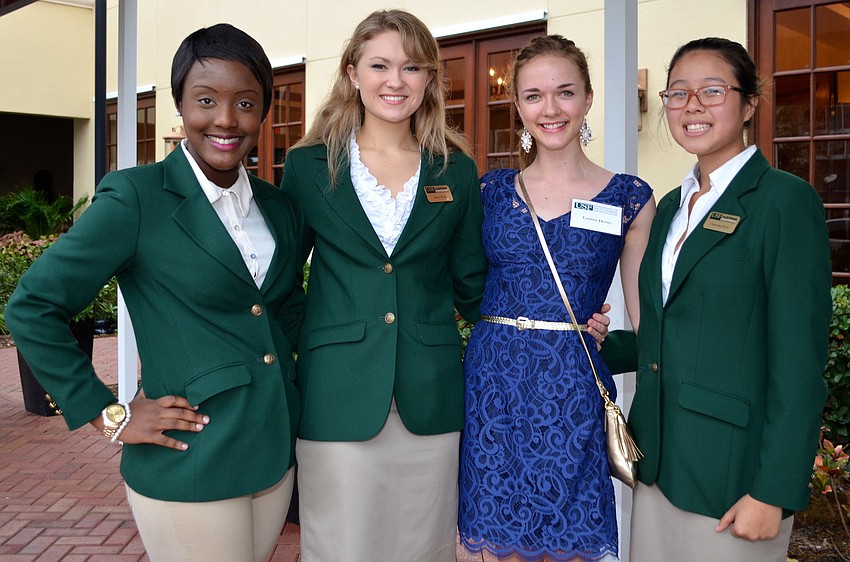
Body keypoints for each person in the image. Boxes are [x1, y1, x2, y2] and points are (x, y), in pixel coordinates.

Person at [6, 24, 304, 562]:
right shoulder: (137, 198)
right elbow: (32, 307)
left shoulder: (277, 207)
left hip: (271, 452)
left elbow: (283, 315)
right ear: (180, 104)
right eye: (206, 100)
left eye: (246, 103)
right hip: (188, 457)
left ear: (263, 112)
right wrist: (107, 412)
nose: (226, 120)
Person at [606, 37, 831, 561]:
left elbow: (799, 364)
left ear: (750, 103)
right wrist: (588, 341)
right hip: (657, 464)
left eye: (712, 90)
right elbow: (668, 331)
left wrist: (773, 490)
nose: (692, 106)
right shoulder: (668, 207)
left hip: (733, 478)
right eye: (678, 93)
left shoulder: (784, 203)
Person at [279, 9, 486, 562]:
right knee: (340, 545)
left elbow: (474, 286)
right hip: (337, 393)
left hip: (432, 394)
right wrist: (323, 337)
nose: (396, 81)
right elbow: (279, 284)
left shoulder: (455, 170)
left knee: (425, 546)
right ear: (353, 73)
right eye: (380, 65)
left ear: (429, 79)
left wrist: (555, 320)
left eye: (412, 67)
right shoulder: (307, 166)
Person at [458, 35, 655, 562]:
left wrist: (600, 336)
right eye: (533, 95)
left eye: (565, 93)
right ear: (518, 105)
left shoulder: (629, 197)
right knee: (488, 545)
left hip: (573, 386)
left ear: (588, 98)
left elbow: (645, 319)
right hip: (492, 385)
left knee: (569, 543)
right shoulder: (489, 192)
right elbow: (459, 284)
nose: (550, 109)